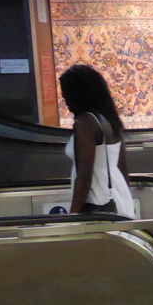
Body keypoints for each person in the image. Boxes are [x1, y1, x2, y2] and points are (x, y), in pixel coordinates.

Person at [59, 64, 136, 218]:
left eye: (66, 93)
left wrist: (72, 214)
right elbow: (123, 166)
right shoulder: (110, 119)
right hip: (118, 196)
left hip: (97, 200)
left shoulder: (86, 122)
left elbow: (85, 174)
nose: (65, 99)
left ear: (78, 94)